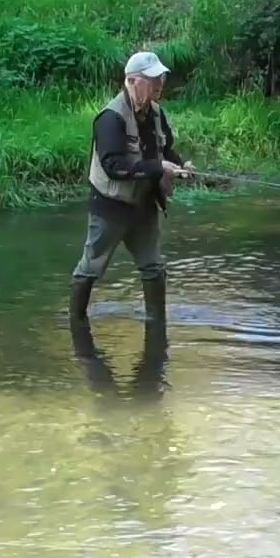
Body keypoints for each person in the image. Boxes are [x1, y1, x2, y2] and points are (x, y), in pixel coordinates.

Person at [68, 51, 193, 358]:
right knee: (91, 267)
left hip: (144, 206)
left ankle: (157, 328)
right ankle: (75, 324)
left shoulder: (156, 113)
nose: (159, 85)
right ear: (132, 81)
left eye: (160, 78)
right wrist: (158, 167)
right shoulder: (109, 118)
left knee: (154, 268)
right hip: (110, 207)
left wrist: (180, 166)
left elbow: (166, 150)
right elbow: (114, 166)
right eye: (152, 80)